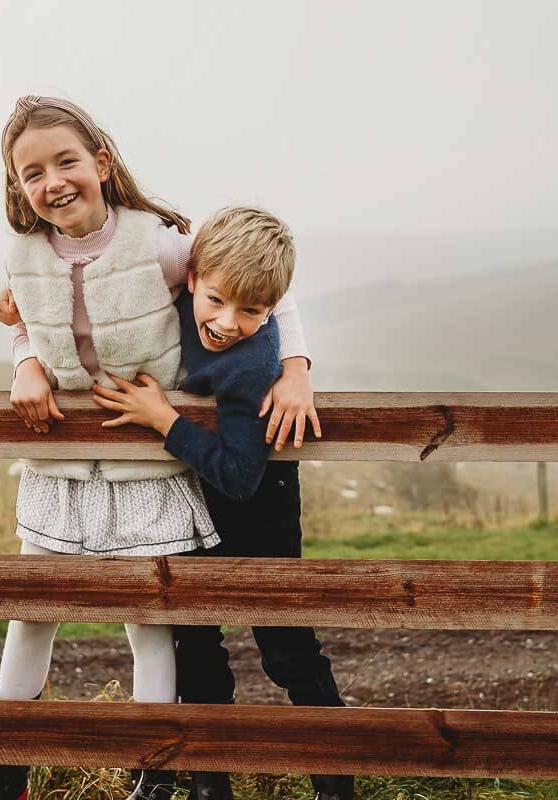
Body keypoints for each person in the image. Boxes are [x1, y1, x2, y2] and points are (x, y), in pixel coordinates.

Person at [0, 96, 317, 800]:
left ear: (101, 162)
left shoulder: (158, 242)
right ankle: (5, 771)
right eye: (32, 172)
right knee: (31, 614)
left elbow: (257, 287)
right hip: (60, 465)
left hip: (146, 464)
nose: (53, 181)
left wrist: (297, 368)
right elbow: (30, 320)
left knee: (149, 622)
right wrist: (24, 362)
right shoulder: (24, 256)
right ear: (17, 186)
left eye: (66, 161)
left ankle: (151, 775)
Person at [92, 207, 353, 800]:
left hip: (257, 509)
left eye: (253, 312)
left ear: (271, 310)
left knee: (286, 650)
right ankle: (213, 787)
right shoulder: (176, 302)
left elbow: (240, 475)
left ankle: (338, 782)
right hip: (186, 508)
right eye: (216, 301)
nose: (228, 322)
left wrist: (165, 420)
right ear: (191, 280)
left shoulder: (251, 361)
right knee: (197, 652)